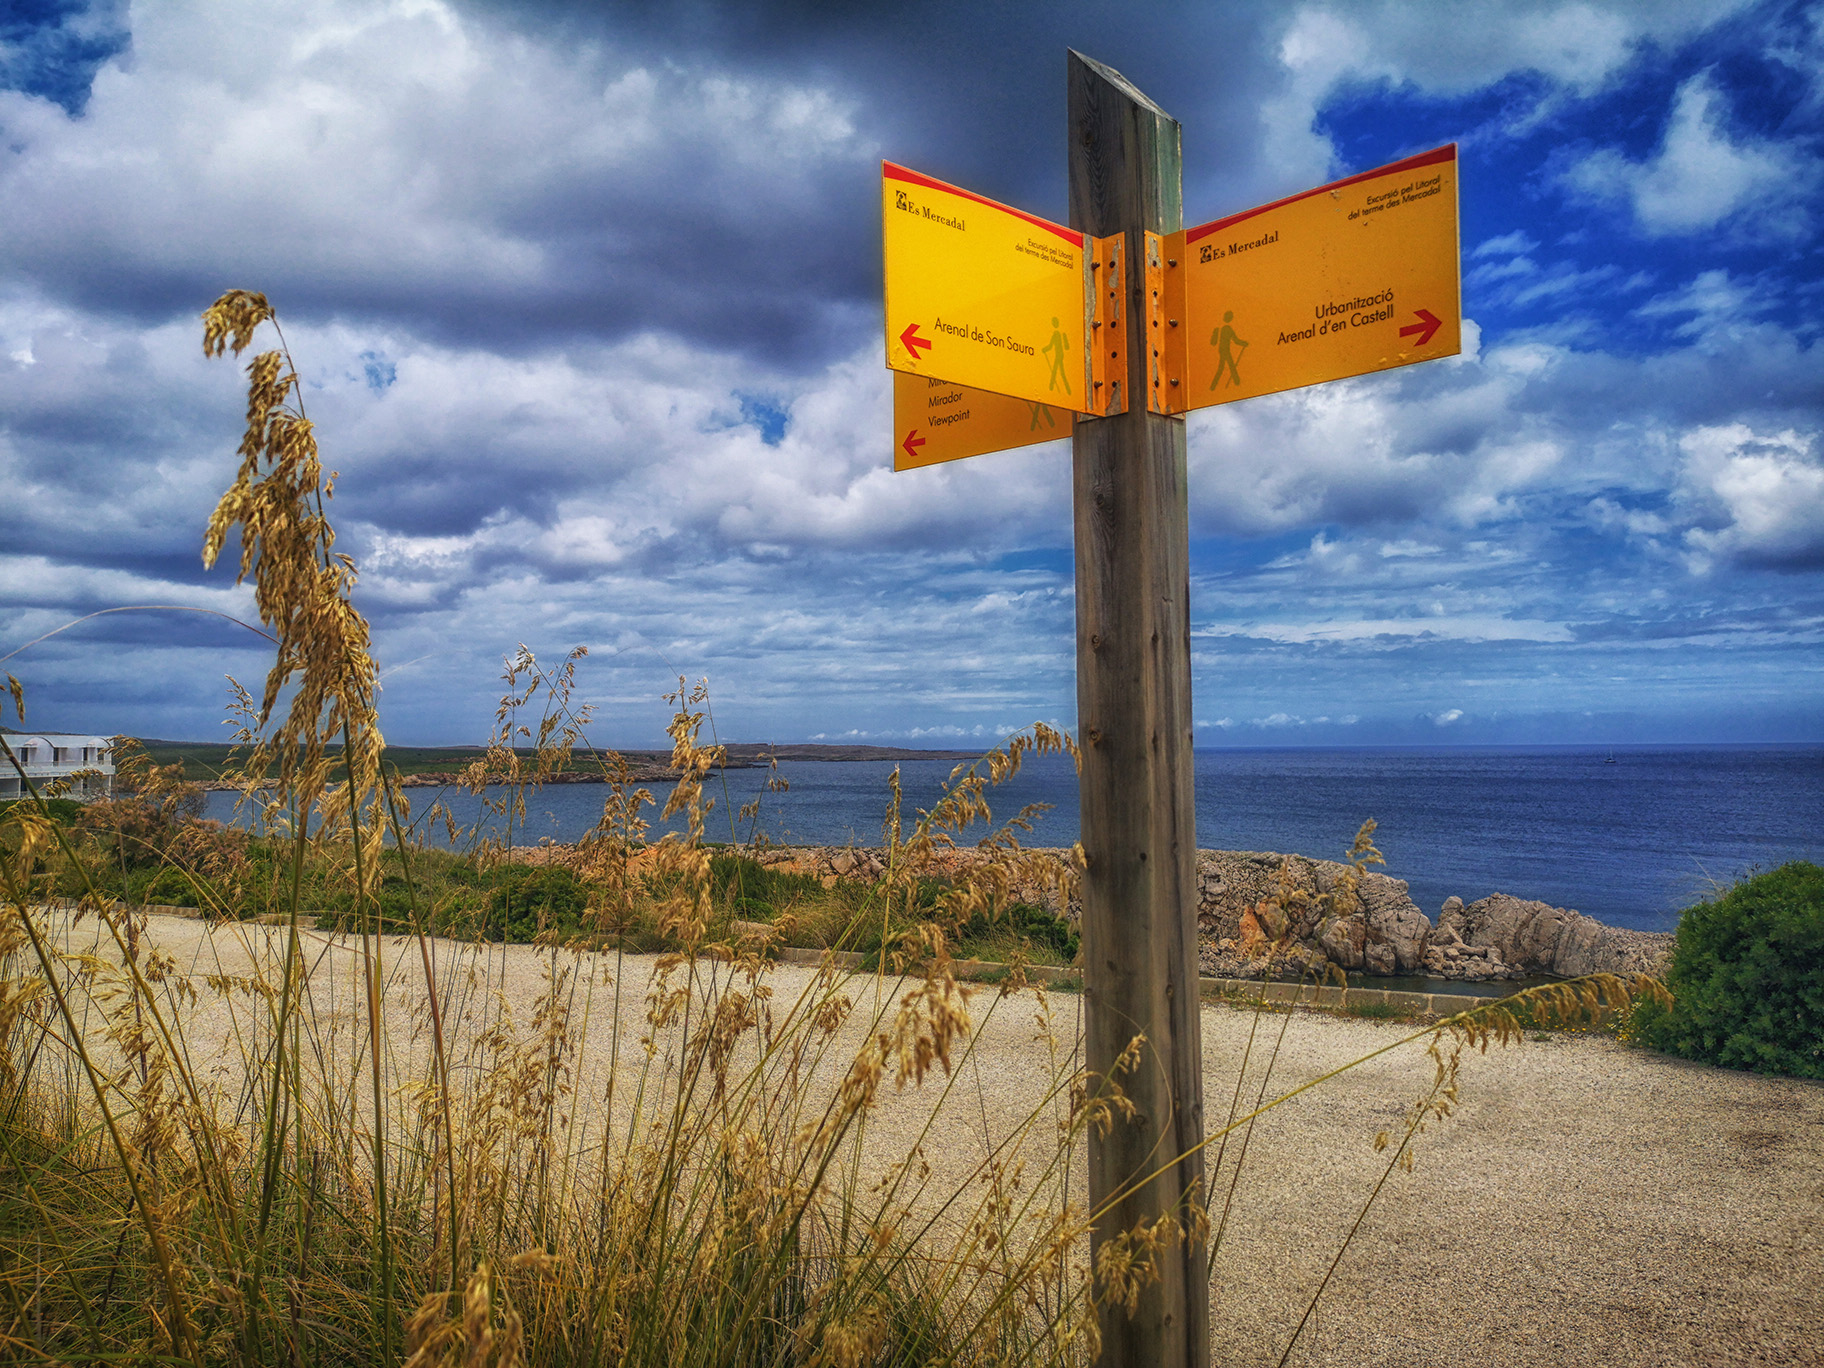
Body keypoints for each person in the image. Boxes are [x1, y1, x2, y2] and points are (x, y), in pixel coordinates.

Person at [1210, 311, 1248, 389]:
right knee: (1227, 366)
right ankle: (1237, 383)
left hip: (1222, 350)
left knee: (1227, 366)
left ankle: (1214, 386)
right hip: (1225, 350)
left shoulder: (1219, 328)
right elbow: (1236, 340)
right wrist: (1244, 343)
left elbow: (1213, 342)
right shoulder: (1227, 329)